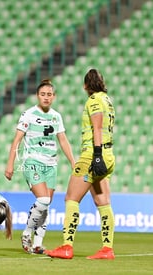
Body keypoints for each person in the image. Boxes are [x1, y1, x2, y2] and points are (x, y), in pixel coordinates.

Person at [45, 69, 115, 260]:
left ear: (85, 86)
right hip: (109, 155)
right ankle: (107, 249)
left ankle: (67, 246)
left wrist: (97, 156)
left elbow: (97, 128)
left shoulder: (93, 101)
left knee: (71, 198)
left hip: (93, 154)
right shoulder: (107, 100)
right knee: (103, 202)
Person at [5, 79, 75, 254]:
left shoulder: (56, 116)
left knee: (46, 204)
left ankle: (37, 243)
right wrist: (10, 163)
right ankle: (27, 233)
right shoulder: (28, 114)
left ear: (54, 97)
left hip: (51, 164)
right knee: (43, 200)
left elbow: (63, 141)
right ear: (37, 96)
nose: (46, 97)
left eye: (49, 94)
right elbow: (17, 140)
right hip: (32, 162)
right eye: (43, 94)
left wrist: (74, 163)